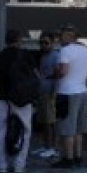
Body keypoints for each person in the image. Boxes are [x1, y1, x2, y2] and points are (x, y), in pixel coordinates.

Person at [0, 30, 37, 173]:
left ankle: (1, 164)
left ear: (6, 41)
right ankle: (19, 164)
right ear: (19, 40)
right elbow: (35, 76)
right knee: (25, 130)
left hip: (0, 97)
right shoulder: (26, 55)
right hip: (22, 98)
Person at [52, 25, 87, 169]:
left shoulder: (66, 50)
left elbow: (63, 71)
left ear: (69, 36)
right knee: (79, 129)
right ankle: (78, 157)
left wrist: (55, 73)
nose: (59, 38)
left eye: (62, 35)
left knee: (67, 128)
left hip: (67, 93)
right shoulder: (86, 50)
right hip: (82, 91)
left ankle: (68, 159)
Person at [35, 32, 60, 160]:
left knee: (51, 121)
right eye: (41, 42)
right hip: (42, 91)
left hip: (50, 92)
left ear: (52, 43)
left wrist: (54, 92)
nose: (43, 45)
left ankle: (53, 148)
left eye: (46, 42)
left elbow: (57, 75)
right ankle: (46, 145)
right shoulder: (43, 56)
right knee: (44, 121)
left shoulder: (55, 56)